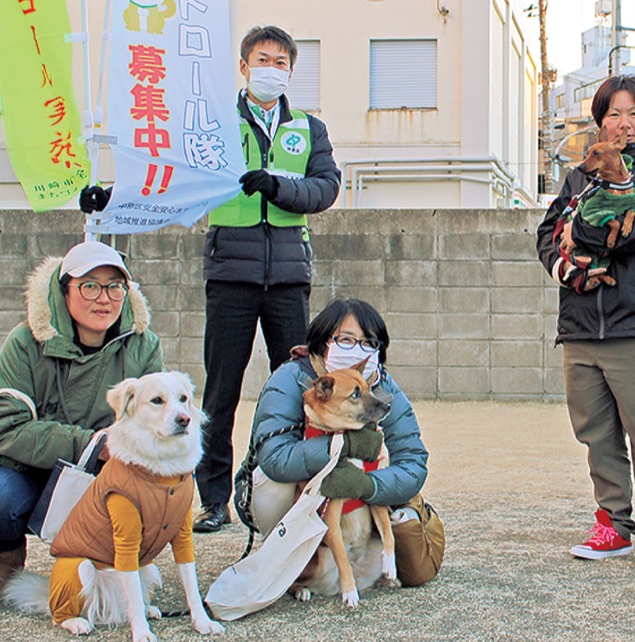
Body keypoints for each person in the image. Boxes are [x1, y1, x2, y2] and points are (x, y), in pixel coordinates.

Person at [83, 25, 344, 531]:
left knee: (298, 386)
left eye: (281, 62)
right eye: (262, 60)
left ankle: (296, 490)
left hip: (290, 274)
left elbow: (325, 188)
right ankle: (212, 499)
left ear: (291, 70)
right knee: (220, 391)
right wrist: (112, 199)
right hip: (230, 272)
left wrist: (277, 187)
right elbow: (169, 175)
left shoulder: (309, 129)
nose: (272, 69)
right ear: (243, 67)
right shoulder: (215, 123)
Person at [535, 74, 635, 568]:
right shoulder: (582, 172)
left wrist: (584, 229)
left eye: (633, 113)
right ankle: (613, 523)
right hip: (582, 323)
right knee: (595, 432)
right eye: (613, 114)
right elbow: (548, 232)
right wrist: (564, 265)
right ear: (600, 121)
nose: (623, 124)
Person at [0, 240, 163, 602]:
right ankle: (5, 557)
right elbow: (0, 427)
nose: (103, 298)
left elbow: (154, 422)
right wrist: (89, 443)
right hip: (24, 469)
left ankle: (112, 566)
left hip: (102, 474)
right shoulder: (25, 341)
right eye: (89, 286)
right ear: (63, 289)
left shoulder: (143, 345)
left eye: (115, 286)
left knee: (158, 488)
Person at [238, 297, 443, 587]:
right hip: (305, 501)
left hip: (362, 510)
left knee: (402, 528)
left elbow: (412, 463)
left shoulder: (382, 387)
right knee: (271, 483)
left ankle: (358, 560)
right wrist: (341, 450)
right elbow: (275, 457)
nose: (359, 350)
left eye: (369, 343)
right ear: (323, 342)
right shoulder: (290, 378)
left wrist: (369, 485)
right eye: (346, 340)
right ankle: (289, 554)